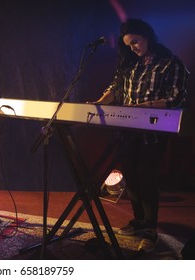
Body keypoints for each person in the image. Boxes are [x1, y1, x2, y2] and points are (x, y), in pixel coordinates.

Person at [89, 18, 189, 253]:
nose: (133, 47)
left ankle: (151, 231)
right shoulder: (129, 63)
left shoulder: (169, 63)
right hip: (127, 130)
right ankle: (139, 221)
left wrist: (145, 107)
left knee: (147, 178)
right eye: (128, 45)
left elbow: (177, 98)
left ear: (147, 36)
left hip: (152, 132)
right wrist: (99, 104)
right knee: (131, 176)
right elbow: (115, 88)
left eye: (136, 42)